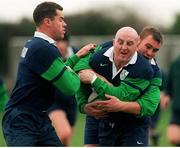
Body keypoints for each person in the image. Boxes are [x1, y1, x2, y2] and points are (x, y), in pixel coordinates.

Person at [2, 2, 95, 146]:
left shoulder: (35, 43)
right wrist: (83, 74)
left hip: (38, 118)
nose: (64, 24)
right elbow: (71, 87)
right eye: (61, 19)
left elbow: (57, 70)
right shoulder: (43, 49)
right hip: (22, 121)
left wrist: (77, 57)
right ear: (47, 22)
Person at [74, 26, 162, 146]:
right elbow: (80, 68)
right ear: (139, 41)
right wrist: (84, 106)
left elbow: (149, 106)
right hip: (100, 115)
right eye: (148, 47)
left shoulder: (152, 72)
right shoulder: (108, 48)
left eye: (155, 50)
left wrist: (121, 105)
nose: (150, 53)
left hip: (133, 124)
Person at [48, 32, 78, 146]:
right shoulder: (50, 55)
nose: (60, 45)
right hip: (53, 102)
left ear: (67, 43)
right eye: (57, 42)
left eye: (62, 41)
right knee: (64, 133)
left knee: (65, 140)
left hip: (71, 102)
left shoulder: (76, 54)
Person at [166, 55, 180, 146]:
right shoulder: (175, 64)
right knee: (173, 138)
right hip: (177, 108)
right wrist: (167, 95)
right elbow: (169, 86)